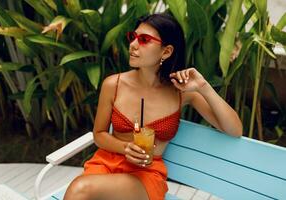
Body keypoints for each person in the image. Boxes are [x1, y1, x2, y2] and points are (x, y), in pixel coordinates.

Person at [64, 13, 243, 200]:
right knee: (83, 190)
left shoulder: (182, 92)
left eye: (144, 40)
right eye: (133, 37)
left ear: (166, 52)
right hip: (105, 165)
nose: (133, 45)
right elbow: (99, 135)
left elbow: (234, 129)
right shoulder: (113, 85)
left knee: (80, 189)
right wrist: (125, 147)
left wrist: (203, 87)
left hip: (145, 175)